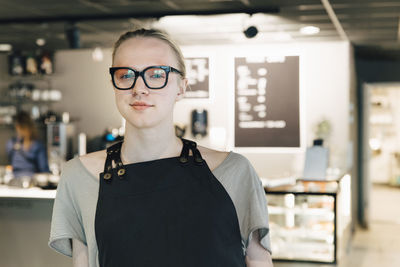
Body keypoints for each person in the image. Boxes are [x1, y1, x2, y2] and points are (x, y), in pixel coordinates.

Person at [48, 28, 273, 267]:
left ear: (182, 87)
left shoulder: (235, 171)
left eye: (156, 74)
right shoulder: (79, 176)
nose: (139, 87)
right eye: (126, 75)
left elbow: (258, 261)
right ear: (113, 84)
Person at [6, 111, 50, 178]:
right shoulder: (37, 145)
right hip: (32, 182)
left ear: (17, 127)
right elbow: (43, 168)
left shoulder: (11, 144)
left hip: (15, 181)